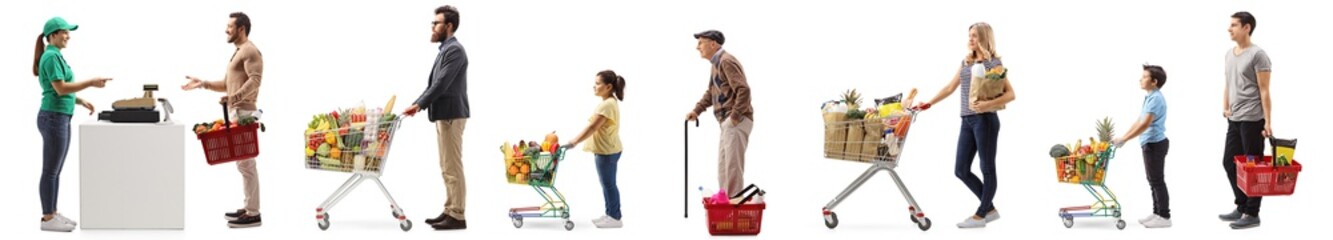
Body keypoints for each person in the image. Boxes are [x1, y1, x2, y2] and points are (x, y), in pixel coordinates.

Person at [914, 22, 1016, 229]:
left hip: (985, 120)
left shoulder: (994, 63)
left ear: (985, 38)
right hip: (967, 120)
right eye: (969, 35)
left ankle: (981, 215)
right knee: (961, 170)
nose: (971, 39)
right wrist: (929, 103)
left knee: (987, 167)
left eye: (975, 36)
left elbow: (1011, 94)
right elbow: (950, 87)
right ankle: (990, 209)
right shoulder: (966, 62)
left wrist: (987, 104)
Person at [181, 12, 265, 228]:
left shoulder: (250, 51)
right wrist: (203, 84)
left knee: (247, 164)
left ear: (241, 29)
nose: (226, 30)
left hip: (244, 112)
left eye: (230, 26)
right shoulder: (238, 52)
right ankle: (249, 207)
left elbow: (255, 81)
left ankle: (253, 213)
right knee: (243, 164)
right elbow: (228, 85)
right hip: (237, 111)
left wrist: (234, 98)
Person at [33, 16, 112, 232]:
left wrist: (79, 100)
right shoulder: (50, 57)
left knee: (55, 170)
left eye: (69, 32)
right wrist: (91, 83)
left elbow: (58, 88)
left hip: (59, 116)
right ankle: (48, 218)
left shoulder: (55, 55)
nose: (69, 36)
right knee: (50, 170)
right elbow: (60, 89)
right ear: (53, 35)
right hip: (53, 118)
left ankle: (53, 213)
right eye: (65, 32)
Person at [403, 5, 470, 230]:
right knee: (445, 165)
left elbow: (441, 84)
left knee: (452, 166)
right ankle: (450, 209)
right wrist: (418, 103)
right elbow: (434, 84)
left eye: (436, 23)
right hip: (444, 114)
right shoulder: (446, 49)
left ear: (448, 26)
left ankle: (458, 215)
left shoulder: (455, 51)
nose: (432, 26)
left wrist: (419, 105)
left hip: (452, 114)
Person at [1218, 11, 1273, 230]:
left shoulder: (1258, 55)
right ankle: (1241, 206)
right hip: (1235, 118)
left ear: (1246, 27)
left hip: (1252, 119)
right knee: (1229, 162)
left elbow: (1265, 90)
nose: (1229, 29)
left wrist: (1267, 122)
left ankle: (1252, 213)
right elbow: (1228, 82)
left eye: (1233, 25)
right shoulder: (1229, 54)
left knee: (1252, 168)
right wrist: (1225, 105)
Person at [685, 30, 753, 198]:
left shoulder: (726, 61)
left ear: (713, 44)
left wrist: (734, 118)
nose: (697, 47)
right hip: (726, 122)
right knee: (724, 167)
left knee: (732, 168)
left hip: (736, 120)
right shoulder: (717, 64)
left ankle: (734, 209)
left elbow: (743, 90)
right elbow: (711, 92)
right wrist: (697, 110)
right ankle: (726, 204)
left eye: (701, 42)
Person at [1112, 64, 1171, 228]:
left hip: (1155, 144)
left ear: (1154, 81)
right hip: (1150, 144)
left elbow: (1145, 125)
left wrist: (1126, 140)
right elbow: (1138, 121)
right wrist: (1123, 137)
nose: (1140, 79)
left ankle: (1165, 216)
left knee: (1157, 181)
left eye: (1145, 77)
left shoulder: (1156, 98)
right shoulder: (1150, 97)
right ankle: (1157, 213)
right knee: (1152, 180)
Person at [566, 70, 626, 229]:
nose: (594, 86)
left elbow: (593, 127)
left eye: (598, 83)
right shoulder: (609, 102)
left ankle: (615, 217)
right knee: (608, 184)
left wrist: (574, 141)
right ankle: (610, 214)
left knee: (609, 185)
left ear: (608, 86)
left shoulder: (607, 105)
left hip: (606, 151)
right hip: (610, 149)